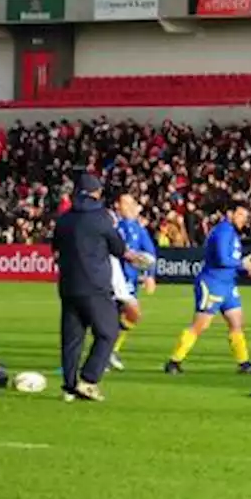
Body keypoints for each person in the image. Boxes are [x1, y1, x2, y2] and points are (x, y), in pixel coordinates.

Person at [53, 172, 151, 403]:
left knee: (71, 339)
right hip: (95, 286)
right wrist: (134, 258)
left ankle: (69, 387)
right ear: (96, 193)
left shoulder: (64, 219)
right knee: (108, 332)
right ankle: (88, 380)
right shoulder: (101, 218)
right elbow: (117, 247)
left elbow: (55, 248)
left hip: (68, 286)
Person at [164, 201, 251, 375]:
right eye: (240, 215)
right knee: (200, 325)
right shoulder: (223, 231)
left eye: (245, 217)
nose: (243, 219)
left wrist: (249, 268)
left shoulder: (232, 233)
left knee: (237, 322)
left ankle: (244, 363)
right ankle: (174, 361)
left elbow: (230, 262)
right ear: (230, 214)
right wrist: (243, 264)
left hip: (227, 284)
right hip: (213, 283)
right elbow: (221, 259)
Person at [109, 193, 157, 371]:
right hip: (113, 279)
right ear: (118, 207)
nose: (128, 207)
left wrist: (150, 275)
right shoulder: (113, 226)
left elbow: (150, 254)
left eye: (131, 204)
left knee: (130, 316)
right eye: (125, 204)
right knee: (117, 316)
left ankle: (109, 350)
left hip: (130, 280)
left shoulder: (139, 229)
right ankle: (107, 351)